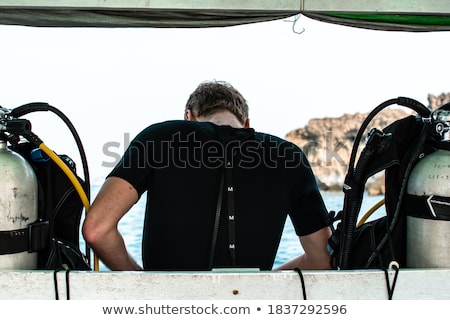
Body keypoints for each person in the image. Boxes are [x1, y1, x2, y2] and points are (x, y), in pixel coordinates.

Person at [82, 80, 332, 271]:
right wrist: (262, 283)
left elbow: (97, 230)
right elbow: (322, 260)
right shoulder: (288, 155)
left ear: (188, 116)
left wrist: (143, 283)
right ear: (246, 122)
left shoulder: (159, 138)